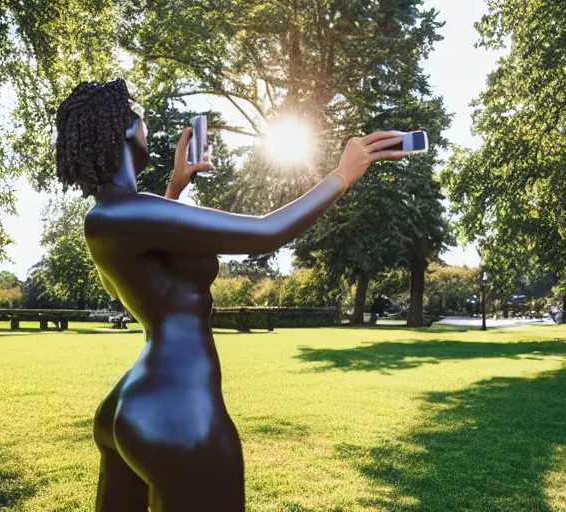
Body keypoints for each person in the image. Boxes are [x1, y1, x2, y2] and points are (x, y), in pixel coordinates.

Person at [54, 78, 410, 512]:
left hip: (129, 405)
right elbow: (265, 232)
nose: (145, 126)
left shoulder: (111, 218)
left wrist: (175, 189)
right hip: (180, 411)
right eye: (140, 117)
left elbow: (138, 274)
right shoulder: (125, 214)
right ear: (128, 129)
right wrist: (342, 175)